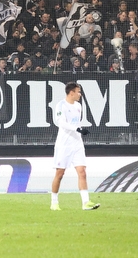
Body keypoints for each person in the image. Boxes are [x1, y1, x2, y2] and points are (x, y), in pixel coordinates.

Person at [50, 83, 99, 211]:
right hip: (64, 144)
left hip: (77, 143)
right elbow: (61, 122)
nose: (80, 94)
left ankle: (86, 202)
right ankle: (54, 202)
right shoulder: (61, 105)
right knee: (60, 173)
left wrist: (79, 129)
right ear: (71, 92)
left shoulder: (78, 106)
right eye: (78, 92)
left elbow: (76, 123)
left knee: (82, 172)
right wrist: (77, 128)